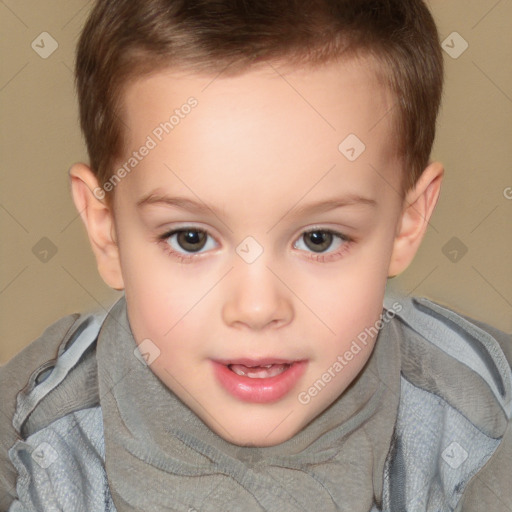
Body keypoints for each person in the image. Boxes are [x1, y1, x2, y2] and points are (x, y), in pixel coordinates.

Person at [1, 1, 511, 510]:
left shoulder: (488, 424)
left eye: (319, 239)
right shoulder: (30, 443)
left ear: (407, 222)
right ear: (107, 230)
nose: (257, 307)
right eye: (191, 239)